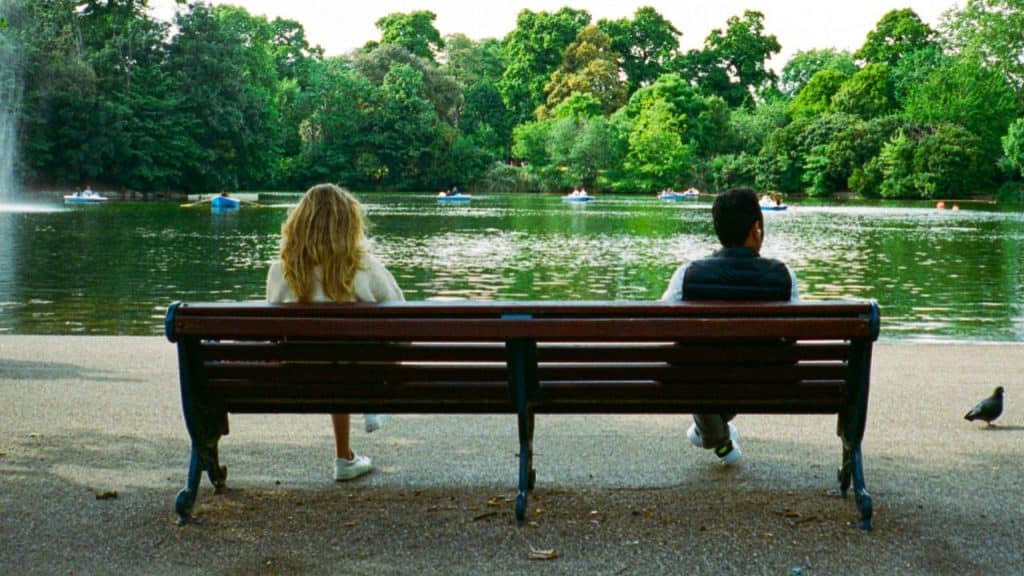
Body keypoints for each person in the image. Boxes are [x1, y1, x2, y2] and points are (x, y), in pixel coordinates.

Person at [266, 183, 405, 481]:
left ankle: (345, 456)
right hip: (360, 377)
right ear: (350, 224)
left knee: (330, 358)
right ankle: (372, 402)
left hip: (297, 377)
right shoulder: (365, 267)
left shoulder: (281, 271)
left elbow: (272, 332)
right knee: (348, 356)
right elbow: (402, 316)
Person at [661, 187, 799, 465]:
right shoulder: (784, 276)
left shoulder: (687, 274)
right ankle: (714, 433)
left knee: (695, 366)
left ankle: (713, 433)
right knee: (739, 365)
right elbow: (793, 336)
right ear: (756, 228)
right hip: (765, 382)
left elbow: (661, 325)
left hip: (701, 379)